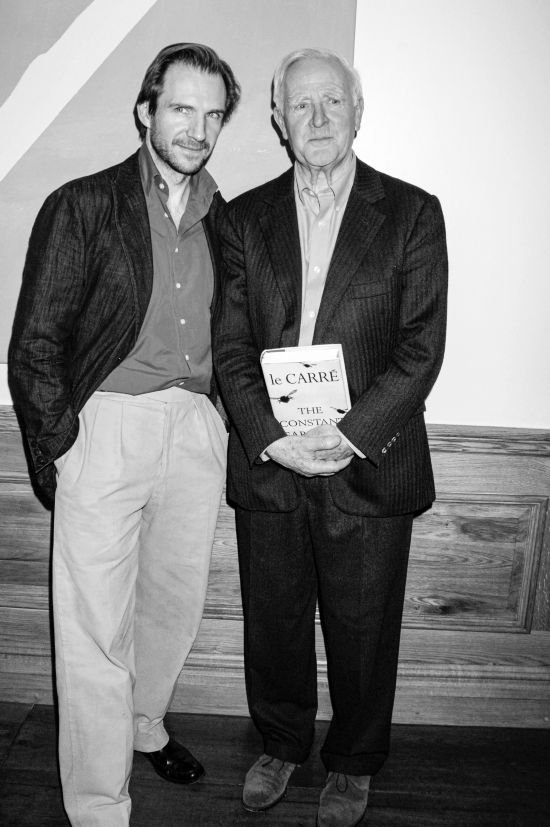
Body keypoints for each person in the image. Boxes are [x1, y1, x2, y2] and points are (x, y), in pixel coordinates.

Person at [213, 48, 447, 826]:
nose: (316, 118)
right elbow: (230, 346)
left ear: (357, 111)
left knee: (364, 627)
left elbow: (421, 347)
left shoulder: (413, 213)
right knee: (274, 619)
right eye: (300, 105)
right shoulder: (243, 218)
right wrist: (271, 437)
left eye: (332, 103)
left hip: (369, 462)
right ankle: (281, 742)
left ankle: (353, 760)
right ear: (278, 119)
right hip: (272, 462)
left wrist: (349, 434)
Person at [8, 43, 240, 826]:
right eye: (182, 108)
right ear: (146, 111)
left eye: (213, 115)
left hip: (196, 427)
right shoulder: (83, 204)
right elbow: (35, 342)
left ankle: (145, 724)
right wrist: (64, 443)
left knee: (172, 607)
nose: (198, 128)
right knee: (94, 629)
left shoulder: (227, 218)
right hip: (104, 424)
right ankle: (100, 805)